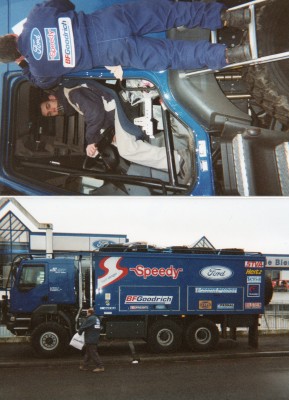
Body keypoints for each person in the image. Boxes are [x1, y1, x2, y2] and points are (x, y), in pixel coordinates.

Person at [0, 0, 251, 89]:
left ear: (15, 58)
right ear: (11, 36)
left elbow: (41, 83)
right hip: (110, 22)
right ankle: (228, 17)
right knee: (169, 14)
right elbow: (65, 4)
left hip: (114, 52)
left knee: (172, 55)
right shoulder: (35, 17)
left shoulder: (40, 70)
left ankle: (230, 56)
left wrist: (25, 65)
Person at [40, 81, 192, 184]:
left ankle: (180, 160)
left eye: (49, 106)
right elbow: (99, 112)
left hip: (119, 104)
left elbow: (95, 113)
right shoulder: (71, 98)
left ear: (51, 97)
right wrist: (105, 137)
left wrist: (91, 139)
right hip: (115, 109)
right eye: (50, 113)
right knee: (121, 144)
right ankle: (177, 155)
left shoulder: (71, 94)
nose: (53, 110)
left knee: (127, 150)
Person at [78, 308, 104, 372]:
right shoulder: (96, 318)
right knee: (88, 353)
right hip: (94, 337)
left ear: (89, 313)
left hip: (90, 338)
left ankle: (100, 366)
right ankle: (84, 366)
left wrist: (79, 332)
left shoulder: (90, 319)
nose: (86, 314)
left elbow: (83, 327)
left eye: (87, 312)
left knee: (93, 353)